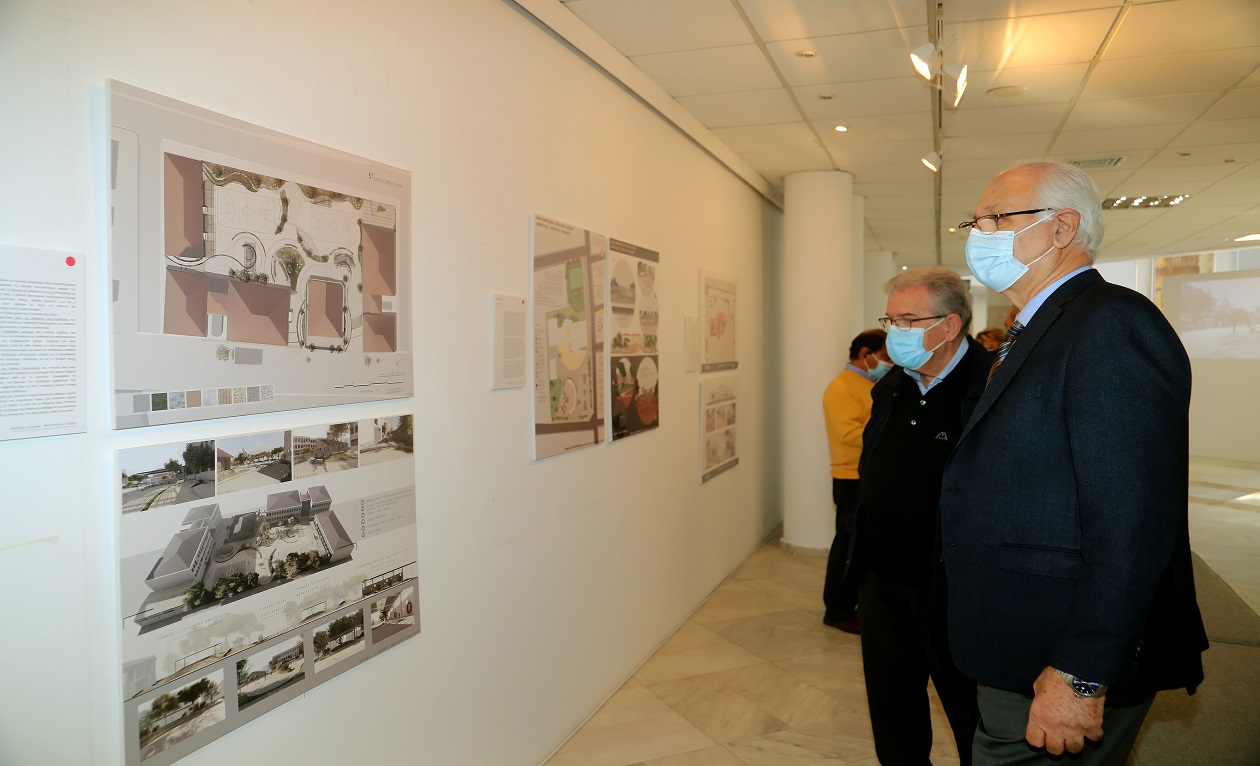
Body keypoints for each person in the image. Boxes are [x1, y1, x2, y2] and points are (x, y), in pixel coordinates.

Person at [940, 161, 1207, 764]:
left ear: (1062, 227)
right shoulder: (1039, 326)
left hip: (1059, 656)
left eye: (996, 218)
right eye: (974, 221)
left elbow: (1133, 518)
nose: (979, 234)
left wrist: (1082, 672)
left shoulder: (1109, 322)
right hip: (1019, 641)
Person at [845, 267, 988, 765]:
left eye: (908, 321)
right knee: (894, 716)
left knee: (973, 719)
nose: (895, 333)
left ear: (950, 326)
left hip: (953, 588)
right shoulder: (891, 386)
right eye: (891, 320)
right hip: (882, 581)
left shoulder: (993, 388)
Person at [821, 328, 890, 633]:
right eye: (885, 356)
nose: (889, 363)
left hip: (867, 474)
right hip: (851, 477)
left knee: (859, 544)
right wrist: (889, 432)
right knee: (847, 545)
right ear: (865, 354)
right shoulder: (841, 387)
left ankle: (852, 603)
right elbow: (848, 435)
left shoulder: (868, 384)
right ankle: (837, 610)